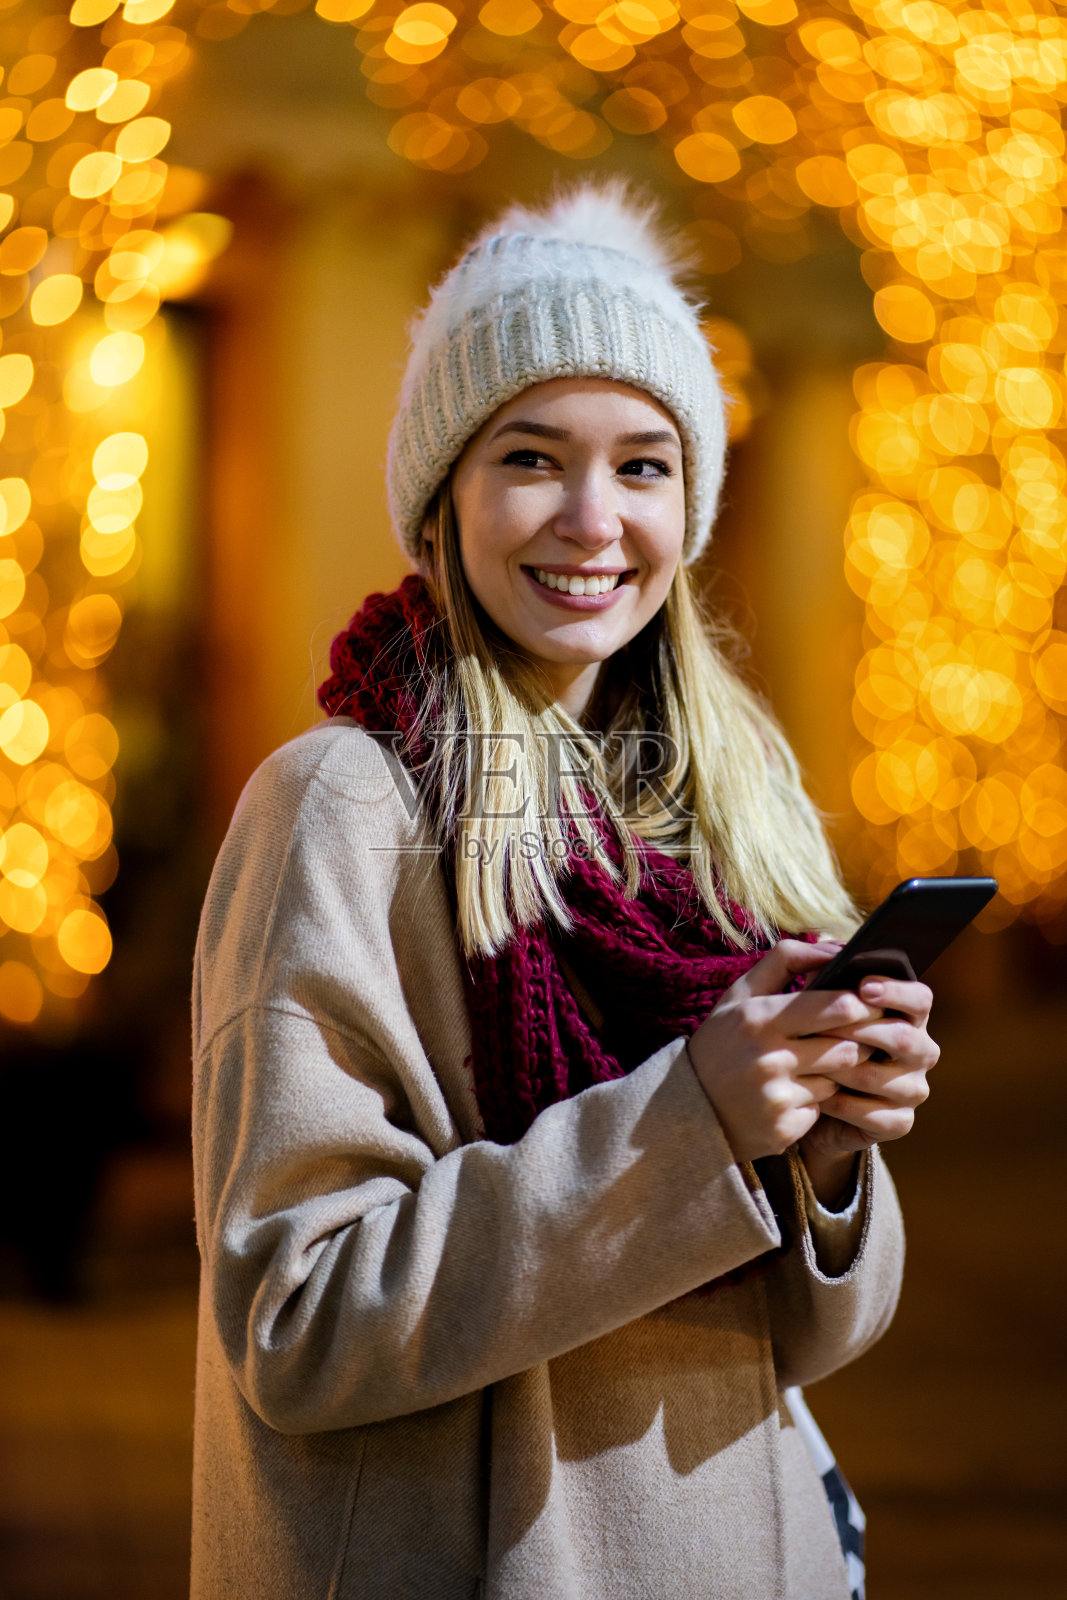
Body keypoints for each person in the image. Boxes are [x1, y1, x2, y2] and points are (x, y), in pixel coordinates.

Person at [190, 184, 938, 1600]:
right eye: (532, 456)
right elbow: (298, 1323)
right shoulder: (347, 805)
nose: (593, 520)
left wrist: (827, 1152)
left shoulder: (722, 810)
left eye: (645, 466)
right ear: (444, 495)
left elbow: (802, 1335)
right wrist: (697, 1121)